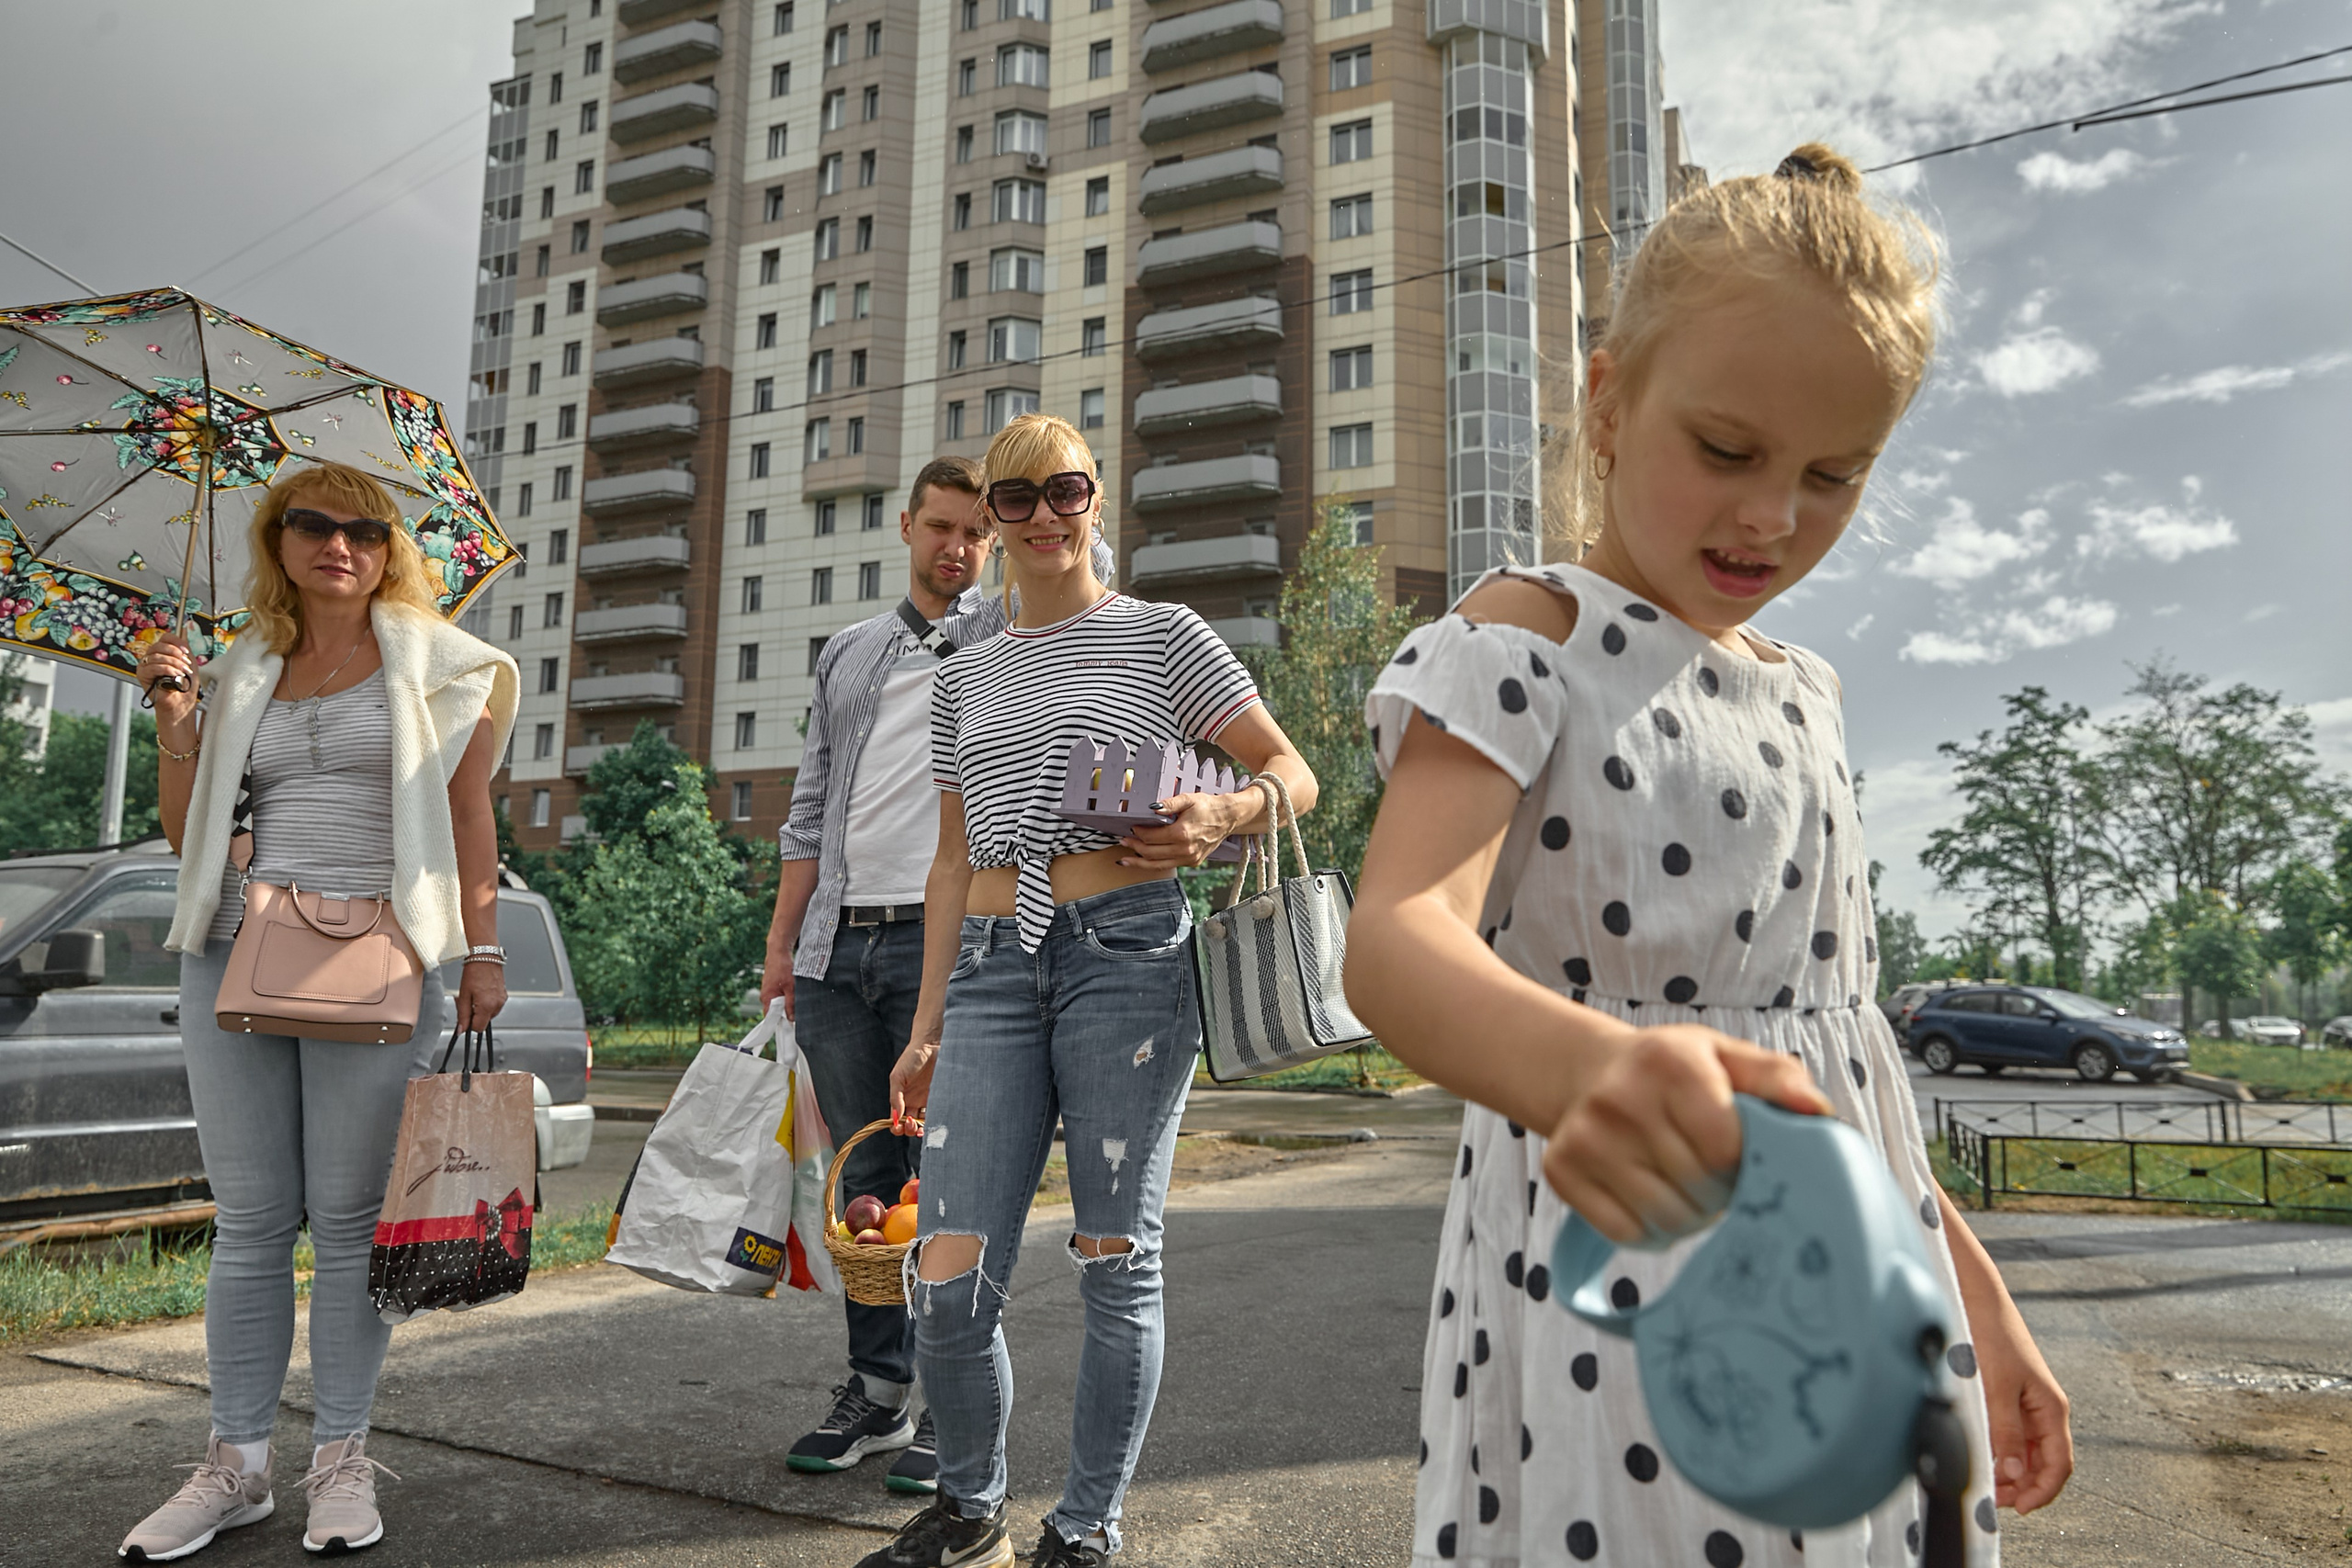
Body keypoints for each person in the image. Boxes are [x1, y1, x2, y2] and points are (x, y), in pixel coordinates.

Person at [1343, 145, 2073, 1567]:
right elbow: (1392, 938)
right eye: (1728, 451)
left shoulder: (1809, 688)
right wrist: (1589, 1068)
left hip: (1855, 1287)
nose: (1770, 516)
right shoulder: (1527, 631)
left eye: (1833, 475)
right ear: (1609, 401)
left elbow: (1844, 1054)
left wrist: (1971, 1286)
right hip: (1623, 1287)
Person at [852, 412, 1318, 1568]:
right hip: (992, 974)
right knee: (947, 1276)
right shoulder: (965, 674)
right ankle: (969, 1507)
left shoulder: (1164, 635)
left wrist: (1223, 811)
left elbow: (1289, 772)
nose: (1044, 517)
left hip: (1128, 955)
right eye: (1017, 501)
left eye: (1065, 491)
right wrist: (924, 1028)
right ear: (994, 520)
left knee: (1118, 1256)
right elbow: (952, 859)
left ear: (1097, 497)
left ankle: (1085, 1527)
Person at [121, 461, 517, 1561]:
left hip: (384, 953)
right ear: (277, 538)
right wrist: (176, 718)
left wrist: (482, 950)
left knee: (346, 1226)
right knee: (249, 1223)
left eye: (362, 529)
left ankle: (340, 1457)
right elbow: (187, 833)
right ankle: (235, 1466)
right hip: (236, 950)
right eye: (313, 525)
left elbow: (468, 812)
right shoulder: (240, 664)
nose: (337, 544)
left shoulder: (445, 666)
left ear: (390, 550)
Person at [763, 456, 1002, 1493]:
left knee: (946, 1181)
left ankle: (953, 1412)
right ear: (905, 526)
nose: (955, 547)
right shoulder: (849, 652)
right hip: (835, 947)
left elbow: (1095, 558)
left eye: (974, 533)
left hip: (939, 941)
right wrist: (783, 946)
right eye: (940, 527)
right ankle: (875, 1388)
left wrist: (1021, 485)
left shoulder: (1002, 630)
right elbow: (808, 808)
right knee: (864, 1180)